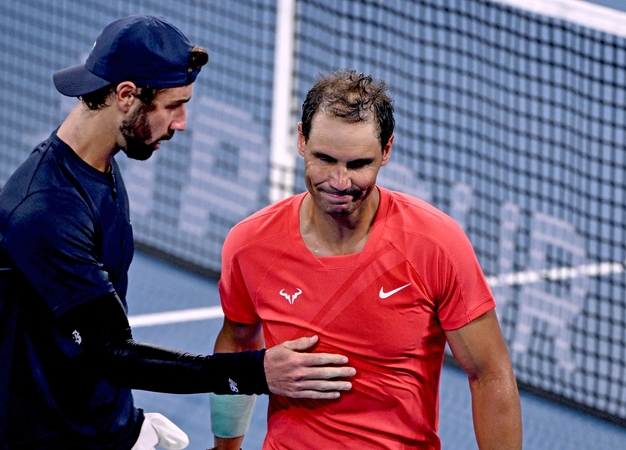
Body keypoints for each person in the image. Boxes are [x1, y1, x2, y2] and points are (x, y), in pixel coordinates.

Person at [0, 15, 355, 450]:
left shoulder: (99, 171)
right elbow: (113, 354)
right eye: (174, 105)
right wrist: (256, 372)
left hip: (103, 432)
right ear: (126, 95)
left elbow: (95, 348)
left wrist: (127, 425)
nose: (182, 123)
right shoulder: (45, 212)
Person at [210, 69, 523, 449]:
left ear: (386, 151)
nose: (339, 182)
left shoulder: (435, 245)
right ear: (301, 140)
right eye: (324, 159)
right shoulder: (250, 245)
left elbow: (488, 373)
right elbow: (236, 349)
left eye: (358, 164)